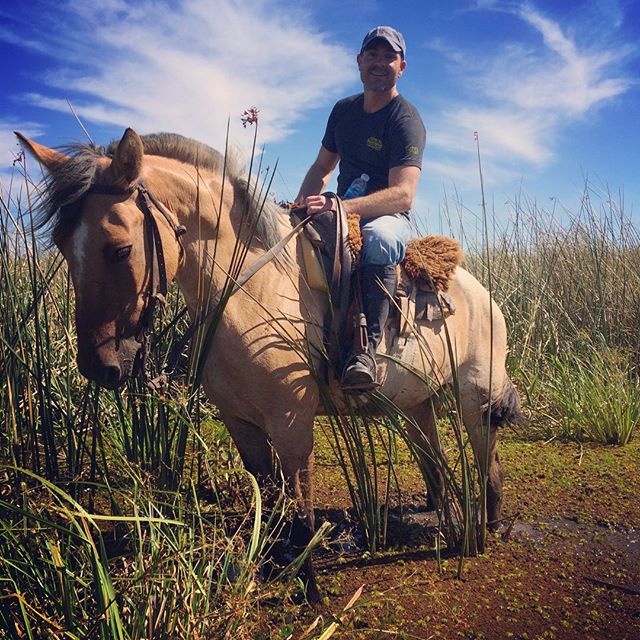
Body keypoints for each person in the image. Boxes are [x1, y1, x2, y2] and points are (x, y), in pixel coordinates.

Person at [296, 25, 426, 390]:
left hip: (385, 215)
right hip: (339, 209)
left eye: (389, 56)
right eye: (373, 54)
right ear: (359, 61)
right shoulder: (343, 111)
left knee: (380, 239)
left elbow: (403, 195)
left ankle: (365, 351)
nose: (380, 62)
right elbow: (323, 168)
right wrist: (299, 205)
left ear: (402, 66)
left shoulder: (405, 119)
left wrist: (343, 207)